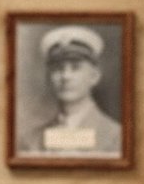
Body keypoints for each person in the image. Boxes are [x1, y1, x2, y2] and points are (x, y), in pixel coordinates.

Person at [18, 25, 120, 158]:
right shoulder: (31, 141)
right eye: (58, 68)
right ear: (49, 77)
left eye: (75, 68)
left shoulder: (116, 136)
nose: (65, 76)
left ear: (94, 76)